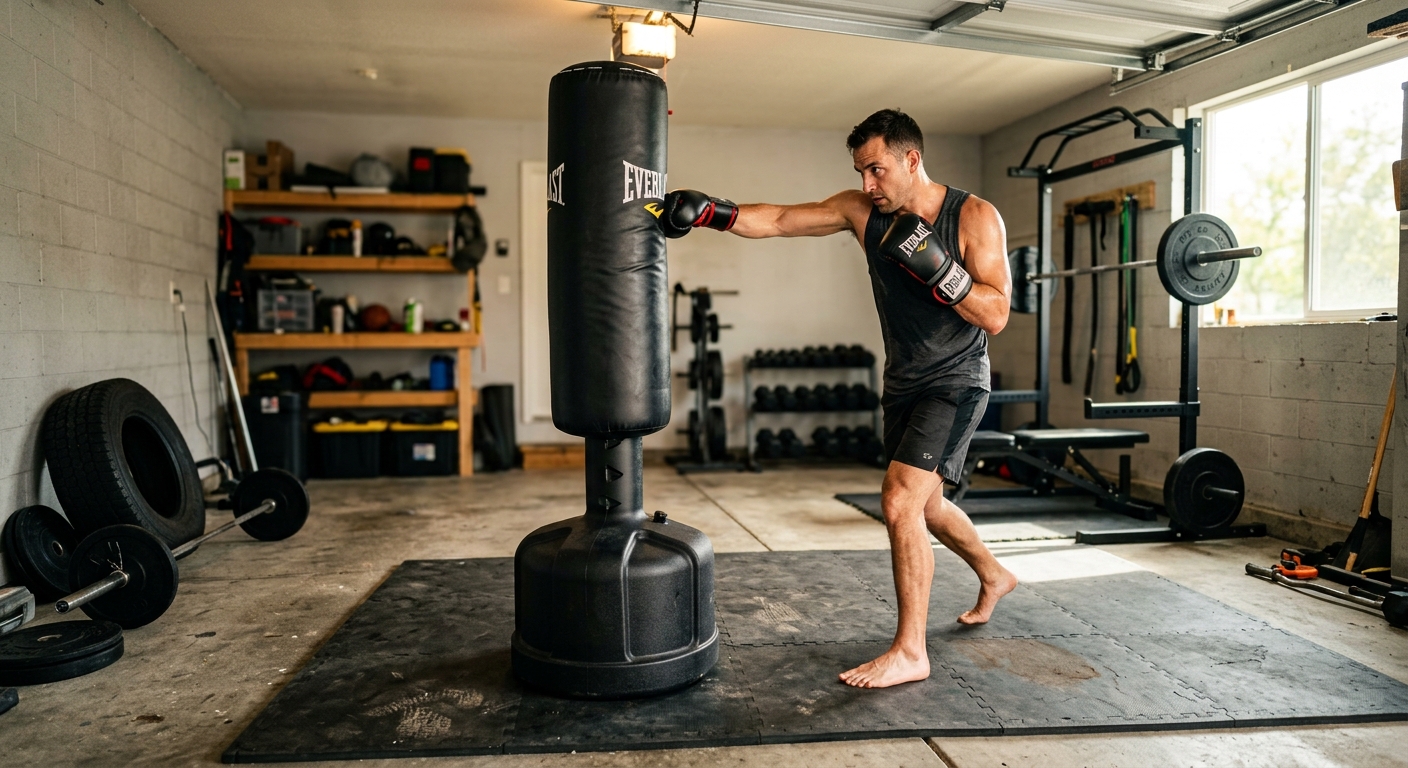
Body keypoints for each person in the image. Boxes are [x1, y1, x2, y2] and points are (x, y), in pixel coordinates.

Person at [658, 108, 1018, 689]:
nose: (868, 184)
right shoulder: (861, 211)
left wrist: (941, 272)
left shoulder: (974, 216)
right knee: (925, 507)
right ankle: (993, 572)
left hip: (956, 381)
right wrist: (712, 213)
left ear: (912, 159)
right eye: (861, 172)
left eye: (877, 170)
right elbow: (777, 219)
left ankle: (911, 651)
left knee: (899, 502)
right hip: (901, 382)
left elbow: (997, 313)